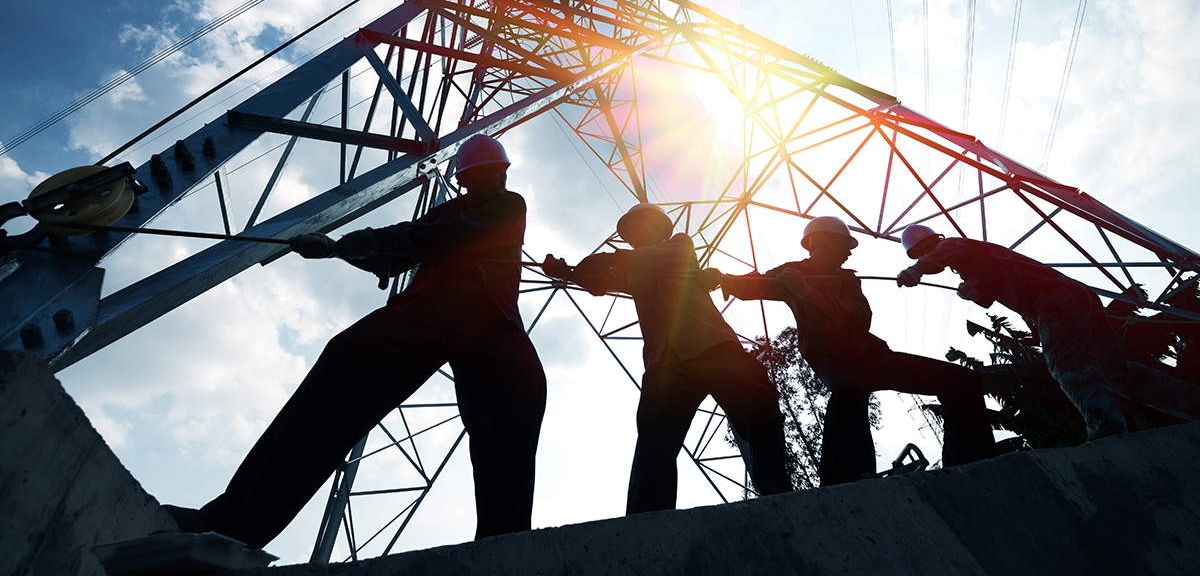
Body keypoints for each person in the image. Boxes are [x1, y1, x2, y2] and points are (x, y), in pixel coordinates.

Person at [165, 134, 546, 547]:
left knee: (516, 398)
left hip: (488, 319)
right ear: (465, 180)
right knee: (344, 359)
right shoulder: (448, 212)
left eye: (495, 174)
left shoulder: (509, 206)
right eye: (483, 175)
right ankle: (232, 523)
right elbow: (398, 253)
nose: (492, 181)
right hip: (426, 311)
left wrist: (370, 239)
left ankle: (504, 546)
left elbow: (447, 236)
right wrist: (336, 250)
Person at [542, 203, 791, 513]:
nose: (628, 234)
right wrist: (566, 272)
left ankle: (781, 497)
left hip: (715, 346)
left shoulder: (680, 246)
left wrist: (609, 258)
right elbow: (601, 282)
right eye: (626, 232)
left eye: (634, 225)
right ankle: (646, 520)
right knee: (654, 435)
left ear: (660, 226)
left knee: (761, 406)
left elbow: (656, 260)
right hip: (667, 362)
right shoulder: (633, 268)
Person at [720, 217, 997, 486]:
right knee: (850, 387)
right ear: (818, 242)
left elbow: (860, 319)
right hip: (830, 355)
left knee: (963, 381)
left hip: (873, 355)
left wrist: (807, 292)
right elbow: (752, 286)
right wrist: (721, 279)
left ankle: (972, 465)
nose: (849, 253)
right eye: (844, 246)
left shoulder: (846, 280)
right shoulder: (791, 272)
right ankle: (843, 480)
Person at [897, 224, 1200, 440]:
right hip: (1076, 297)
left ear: (929, 244)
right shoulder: (970, 264)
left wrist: (916, 271)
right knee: (1116, 372)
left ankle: (1107, 428)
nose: (923, 255)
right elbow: (988, 296)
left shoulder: (951, 246)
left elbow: (940, 256)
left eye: (921, 252)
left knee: (1064, 364)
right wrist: (971, 293)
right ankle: (1192, 404)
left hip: (1054, 300)